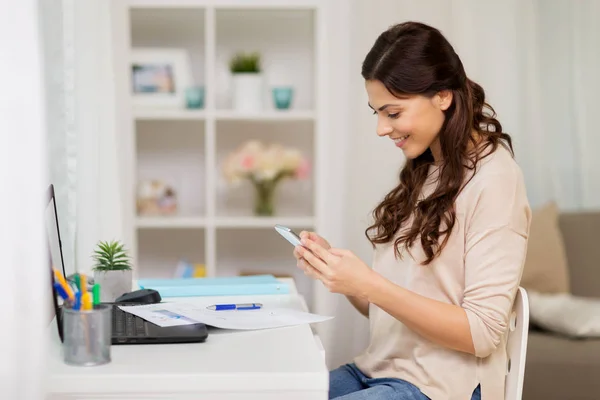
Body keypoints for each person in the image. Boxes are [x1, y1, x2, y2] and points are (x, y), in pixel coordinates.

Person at [293, 21, 531, 400]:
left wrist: (371, 284)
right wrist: (343, 277)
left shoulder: (495, 179)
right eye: (376, 113)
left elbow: (482, 333)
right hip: (377, 369)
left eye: (393, 112)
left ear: (442, 96)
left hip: (440, 386)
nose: (381, 129)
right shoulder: (426, 169)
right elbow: (392, 309)